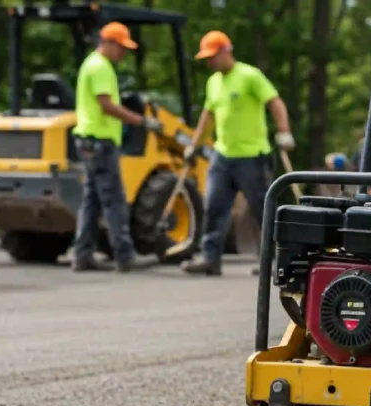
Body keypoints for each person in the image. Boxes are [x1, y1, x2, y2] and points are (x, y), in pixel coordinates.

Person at [181, 31, 296, 276]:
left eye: (212, 57)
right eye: (206, 59)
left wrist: (284, 132)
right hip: (222, 155)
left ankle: (274, 260)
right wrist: (194, 144)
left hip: (252, 156)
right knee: (214, 206)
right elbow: (208, 116)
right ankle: (210, 259)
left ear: (226, 52)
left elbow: (275, 102)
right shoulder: (213, 82)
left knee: (262, 209)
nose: (210, 62)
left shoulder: (249, 75)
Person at [71, 22, 163, 273]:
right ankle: (125, 256)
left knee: (92, 201)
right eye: (121, 47)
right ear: (108, 43)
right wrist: (142, 121)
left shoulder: (92, 63)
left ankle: (82, 255)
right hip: (100, 142)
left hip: (89, 142)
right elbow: (107, 105)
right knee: (115, 200)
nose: (123, 53)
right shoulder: (100, 67)